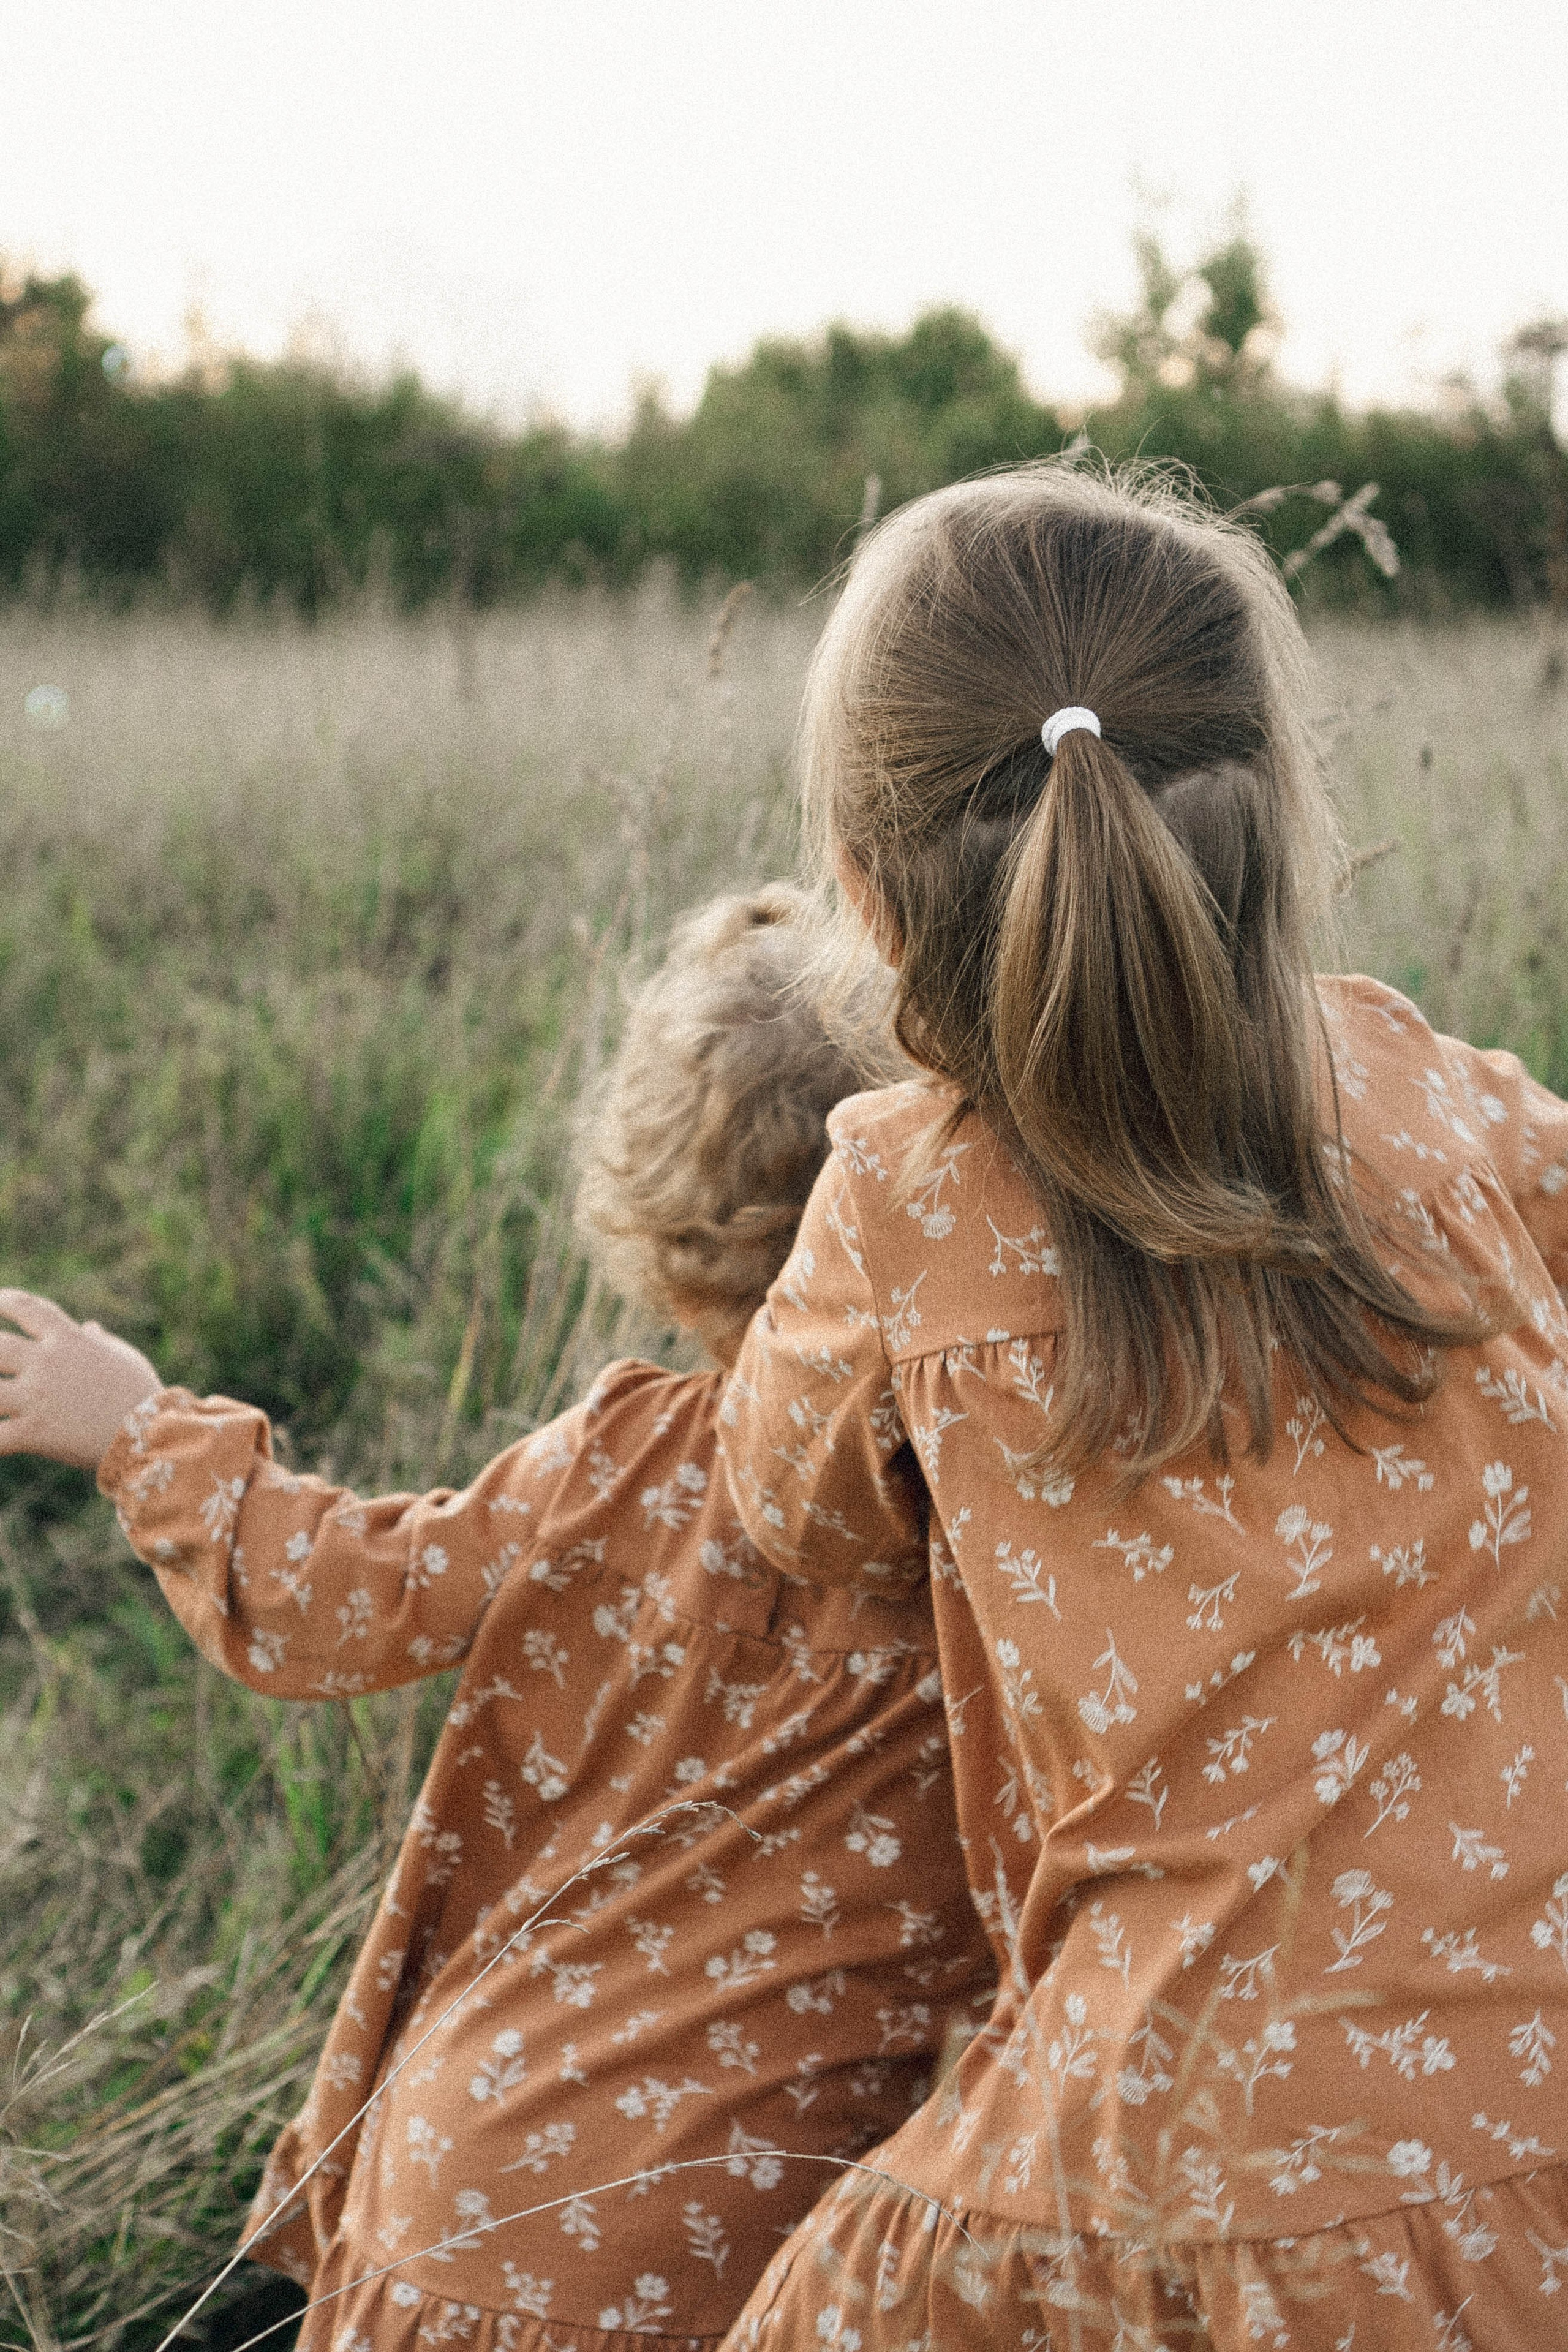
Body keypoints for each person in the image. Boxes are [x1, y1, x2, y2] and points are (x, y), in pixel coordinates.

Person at [714, 465, 1568, 2351]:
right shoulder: (1451, 1102)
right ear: (1281, 819)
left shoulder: (897, 1205)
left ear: (866, 886)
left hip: (1182, 2163)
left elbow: (787, 1509)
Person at [0, 886, 995, 2352]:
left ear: (660, 1238)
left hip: (455, 2181)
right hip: (732, 2249)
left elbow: (329, 1598)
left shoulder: (612, 1464)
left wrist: (139, 1428)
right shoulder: (1000, 1552)